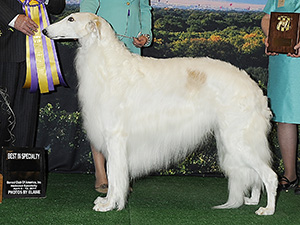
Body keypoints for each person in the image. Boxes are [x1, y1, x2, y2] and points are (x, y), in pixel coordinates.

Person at [80, 0, 152, 193]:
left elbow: (144, 9)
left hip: (132, 51)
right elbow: (86, 11)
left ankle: (119, 173)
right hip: (102, 52)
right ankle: (101, 173)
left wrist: (146, 35)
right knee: (100, 115)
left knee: (125, 118)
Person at [0, 0, 65, 148]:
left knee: (25, 123)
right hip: (3, 43)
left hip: (35, 54)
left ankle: (19, 170)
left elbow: (58, 6)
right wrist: (12, 18)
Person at [261, 0, 300, 195]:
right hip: (282, 59)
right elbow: (267, 17)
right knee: (285, 116)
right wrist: (270, 37)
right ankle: (290, 174)